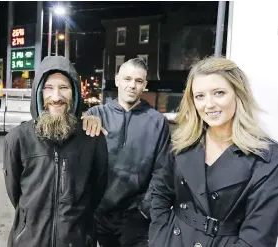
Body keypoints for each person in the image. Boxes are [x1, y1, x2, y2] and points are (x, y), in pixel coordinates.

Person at [149, 56, 278, 247]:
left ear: (238, 94)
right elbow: (158, 193)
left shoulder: (266, 156)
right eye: (200, 96)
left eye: (218, 93)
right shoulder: (182, 141)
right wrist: (160, 237)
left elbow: (258, 236)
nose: (209, 104)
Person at [3, 56, 108, 247]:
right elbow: (15, 194)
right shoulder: (18, 139)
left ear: (75, 92)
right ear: (39, 92)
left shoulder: (92, 138)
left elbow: (97, 191)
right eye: (49, 88)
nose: (56, 97)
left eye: (64, 88)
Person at [82, 58, 171, 247]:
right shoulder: (96, 115)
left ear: (145, 85)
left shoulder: (157, 121)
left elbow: (162, 170)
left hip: (135, 217)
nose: (132, 85)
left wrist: (144, 210)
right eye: (127, 79)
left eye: (138, 81)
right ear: (117, 80)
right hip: (98, 214)